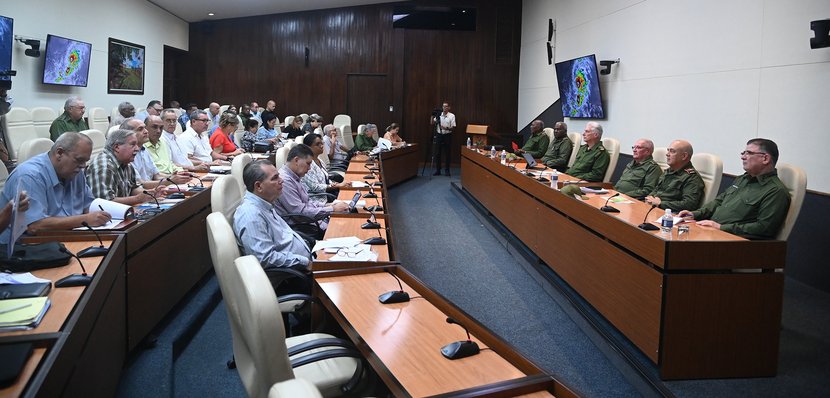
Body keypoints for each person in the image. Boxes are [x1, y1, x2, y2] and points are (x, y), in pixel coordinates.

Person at [0, 132, 110, 242]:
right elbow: (35, 226)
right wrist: (85, 219)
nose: (83, 166)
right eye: (79, 160)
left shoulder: (75, 171)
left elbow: (88, 205)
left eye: (85, 161)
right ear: (59, 153)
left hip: (64, 238)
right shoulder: (29, 176)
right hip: (26, 247)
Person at [679, 139, 790, 239]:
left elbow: (764, 228)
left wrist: (721, 227)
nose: (743, 157)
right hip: (712, 231)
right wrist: (695, 214)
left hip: (735, 242)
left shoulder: (775, 191)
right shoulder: (742, 179)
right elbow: (719, 201)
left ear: (765, 158)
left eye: (749, 153)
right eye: (743, 153)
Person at [234, 159, 312, 272]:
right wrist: (305, 262)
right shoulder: (251, 215)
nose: (282, 181)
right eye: (275, 178)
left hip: (303, 263)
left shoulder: (265, 201)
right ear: (259, 186)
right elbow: (265, 258)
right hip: (291, 277)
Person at [275, 144, 349, 236]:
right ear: (296, 160)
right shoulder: (285, 181)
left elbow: (307, 202)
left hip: (311, 222)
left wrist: (328, 204)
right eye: (308, 163)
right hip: (302, 228)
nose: (310, 168)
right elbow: (300, 214)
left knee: (346, 224)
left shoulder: (294, 176)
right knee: (345, 230)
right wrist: (332, 209)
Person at [87, 129, 161, 205]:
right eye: (133, 144)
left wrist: (150, 193)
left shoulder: (127, 163)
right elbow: (104, 203)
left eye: (137, 145)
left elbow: (133, 188)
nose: (137, 149)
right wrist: (138, 199)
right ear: (117, 147)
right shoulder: (103, 167)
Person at [123, 118, 190, 188]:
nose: (146, 131)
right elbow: (139, 184)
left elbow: (156, 175)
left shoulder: (144, 149)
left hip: (152, 190)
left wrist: (176, 177)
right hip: (144, 192)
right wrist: (170, 180)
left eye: (145, 128)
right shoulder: (127, 154)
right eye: (140, 129)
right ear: (127, 133)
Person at [644, 140, 704, 211]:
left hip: (669, 214)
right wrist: (650, 198)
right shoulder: (669, 171)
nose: (667, 154)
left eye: (672, 151)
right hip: (654, 207)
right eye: (668, 150)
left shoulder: (692, 178)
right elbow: (657, 189)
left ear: (684, 156)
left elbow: (689, 204)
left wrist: (661, 203)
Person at [301, 133, 347, 206]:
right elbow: (315, 187)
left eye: (322, 143)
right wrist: (336, 186)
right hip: (319, 199)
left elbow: (326, 178)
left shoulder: (319, 160)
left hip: (328, 193)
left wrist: (334, 184)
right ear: (308, 147)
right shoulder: (307, 165)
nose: (322, 146)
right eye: (318, 144)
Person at [430, 101, 456, 176]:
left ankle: (447, 170)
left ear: (449, 108)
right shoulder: (439, 115)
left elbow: (453, 128)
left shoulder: (452, 116)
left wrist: (446, 128)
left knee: (447, 153)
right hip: (439, 135)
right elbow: (432, 123)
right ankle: (438, 170)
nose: (444, 108)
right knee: (438, 153)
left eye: (446, 106)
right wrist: (432, 115)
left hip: (447, 135)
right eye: (443, 106)